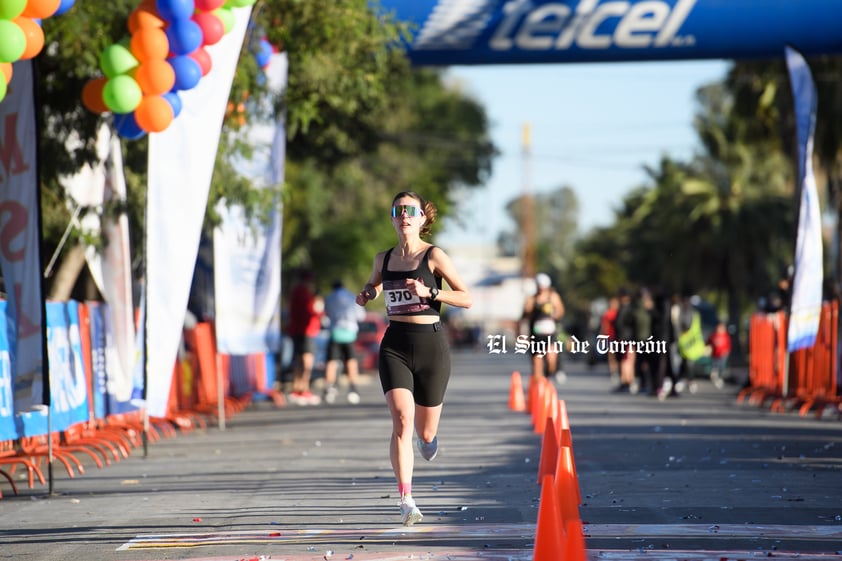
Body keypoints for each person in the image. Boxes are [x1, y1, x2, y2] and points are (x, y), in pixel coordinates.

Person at [355, 191, 472, 527]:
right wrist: (368, 293)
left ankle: (430, 437)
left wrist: (431, 292)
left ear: (422, 218)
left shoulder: (434, 256)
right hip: (395, 344)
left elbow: (466, 297)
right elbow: (376, 284)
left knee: (425, 430)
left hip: (431, 346)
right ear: (392, 217)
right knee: (402, 421)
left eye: (410, 210)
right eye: (398, 210)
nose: (404, 215)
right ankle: (406, 499)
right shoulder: (383, 258)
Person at [323, 279, 366, 404]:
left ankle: (329, 389)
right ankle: (353, 389)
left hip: (335, 332)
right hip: (349, 333)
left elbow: (326, 314)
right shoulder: (351, 296)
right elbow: (361, 316)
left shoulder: (329, 298)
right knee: (351, 362)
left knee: (331, 362)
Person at [286, 269, 323, 405]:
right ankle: (303, 390)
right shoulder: (303, 291)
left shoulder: (296, 290)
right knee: (307, 361)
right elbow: (308, 312)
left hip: (297, 330)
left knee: (299, 360)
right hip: (305, 330)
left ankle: (297, 389)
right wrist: (319, 313)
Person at [520, 273, 566, 382]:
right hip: (536, 335)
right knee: (537, 363)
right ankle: (538, 388)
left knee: (551, 360)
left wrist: (554, 314)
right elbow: (524, 316)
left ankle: (548, 376)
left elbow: (560, 311)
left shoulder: (553, 297)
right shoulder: (532, 299)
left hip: (550, 334)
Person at [706, 321, 731, 389]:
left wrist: (726, 351)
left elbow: (728, 345)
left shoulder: (725, 336)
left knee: (721, 366)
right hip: (714, 354)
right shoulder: (713, 335)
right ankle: (714, 376)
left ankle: (720, 378)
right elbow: (708, 343)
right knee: (714, 367)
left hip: (722, 355)